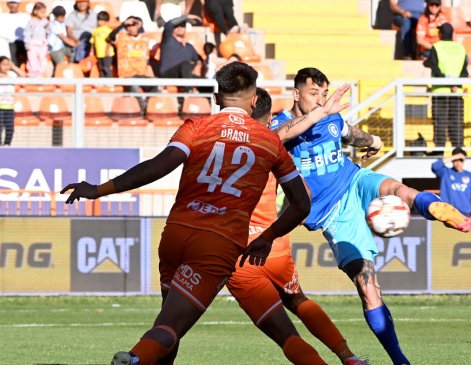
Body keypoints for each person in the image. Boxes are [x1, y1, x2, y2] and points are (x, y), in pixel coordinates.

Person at [61, 62, 311, 365]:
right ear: (255, 100)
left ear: (216, 98)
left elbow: (158, 166)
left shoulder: (196, 127)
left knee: (169, 321)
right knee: (170, 327)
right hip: (217, 242)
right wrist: (268, 237)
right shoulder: (269, 141)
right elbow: (301, 203)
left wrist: (99, 189)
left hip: (176, 234)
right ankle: (134, 359)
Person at [272, 66, 471, 365]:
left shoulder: (330, 117)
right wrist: (317, 115)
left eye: (324, 94)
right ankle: (400, 360)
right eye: (313, 94)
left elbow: (351, 134)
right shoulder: (282, 124)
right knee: (368, 287)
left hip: (352, 180)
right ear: (296, 93)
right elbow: (276, 136)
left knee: (397, 188)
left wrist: (375, 142)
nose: (320, 101)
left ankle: (432, 207)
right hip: (333, 216)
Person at [227, 86, 368, 365]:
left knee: (284, 332)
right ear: (268, 118)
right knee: (297, 299)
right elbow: (303, 194)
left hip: (237, 249)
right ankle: (348, 356)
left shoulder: (219, 144)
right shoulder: (271, 143)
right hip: (273, 241)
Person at [423, 23, 468, 149]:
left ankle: (439, 152)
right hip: (456, 91)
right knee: (456, 124)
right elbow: (465, 73)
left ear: (440, 34)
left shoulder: (436, 47)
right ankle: (459, 153)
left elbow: (435, 69)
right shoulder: (461, 48)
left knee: (440, 125)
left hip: (440, 92)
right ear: (452, 34)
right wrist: (455, 83)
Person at [431, 147, 471, 216]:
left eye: (460, 160)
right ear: (452, 160)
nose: (458, 163)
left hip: (465, 214)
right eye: (455, 160)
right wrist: (454, 156)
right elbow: (435, 166)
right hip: (448, 213)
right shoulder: (445, 172)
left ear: (464, 160)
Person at [0, 55, 24, 146]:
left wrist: (13, 67)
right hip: (0, 108)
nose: (6, 67)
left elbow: (23, 75)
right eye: (3, 64)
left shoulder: (12, 75)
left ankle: (7, 145)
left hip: (9, 107)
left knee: (10, 129)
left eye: (7, 64)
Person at [0, 0, 29, 67]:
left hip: (24, 43)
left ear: (19, 4)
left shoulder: (26, 16)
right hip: (10, 44)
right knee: (13, 62)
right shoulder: (2, 17)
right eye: (10, 3)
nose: (12, 5)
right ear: (7, 4)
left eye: (14, 3)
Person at [23, 2, 49, 78]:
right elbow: (27, 33)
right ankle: (32, 74)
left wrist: (48, 26)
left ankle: (40, 74)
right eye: (41, 12)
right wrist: (27, 44)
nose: (43, 14)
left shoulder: (45, 21)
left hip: (42, 45)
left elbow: (48, 32)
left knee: (42, 59)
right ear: (35, 11)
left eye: (44, 12)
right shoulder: (31, 22)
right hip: (32, 45)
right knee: (32, 60)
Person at [90, 11, 113, 77]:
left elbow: (109, 41)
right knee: (101, 68)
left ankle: (110, 81)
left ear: (106, 21)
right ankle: (103, 80)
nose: (100, 22)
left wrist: (107, 50)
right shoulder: (95, 30)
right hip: (99, 53)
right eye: (99, 20)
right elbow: (92, 42)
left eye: (103, 20)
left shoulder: (108, 30)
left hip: (107, 53)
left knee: (106, 68)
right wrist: (92, 51)